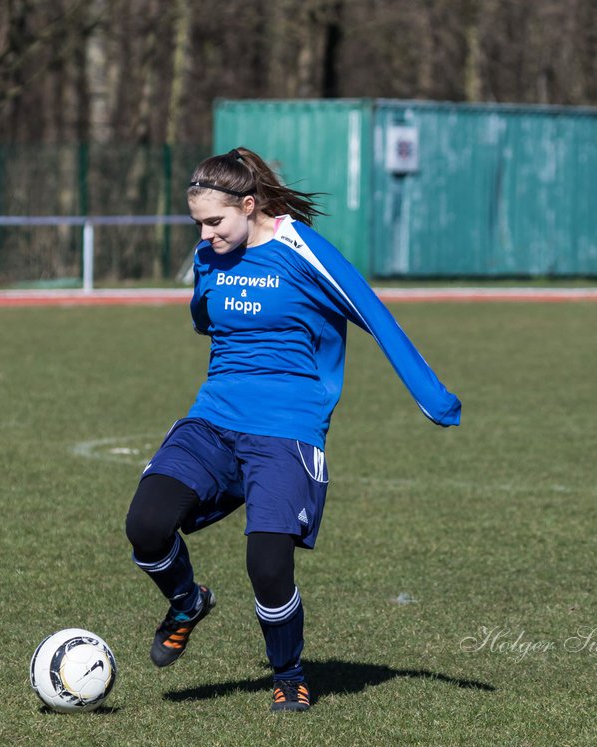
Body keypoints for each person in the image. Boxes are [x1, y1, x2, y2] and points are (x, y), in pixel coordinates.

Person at [124, 147, 462, 712]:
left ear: (249, 205)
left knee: (268, 564)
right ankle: (186, 602)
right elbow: (203, 315)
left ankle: (289, 674)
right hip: (214, 418)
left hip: (287, 429)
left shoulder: (301, 251)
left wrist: (434, 399)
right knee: (146, 525)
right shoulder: (212, 253)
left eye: (214, 222)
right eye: (198, 224)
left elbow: (375, 314)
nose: (205, 236)